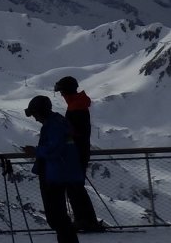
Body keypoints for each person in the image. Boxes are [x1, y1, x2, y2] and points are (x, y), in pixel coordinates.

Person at [25, 94, 85, 243]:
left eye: (35, 114)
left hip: (55, 175)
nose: (35, 118)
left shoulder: (54, 126)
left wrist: (36, 151)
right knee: (59, 216)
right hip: (60, 172)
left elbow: (55, 150)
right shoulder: (59, 122)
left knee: (56, 217)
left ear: (41, 111)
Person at [54, 77, 105, 232]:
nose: (62, 95)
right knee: (77, 188)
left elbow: (75, 133)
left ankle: (84, 221)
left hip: (75, 154)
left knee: (74, 188)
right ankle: (87, 220)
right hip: (80, 152)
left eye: (62, 91)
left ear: (67, 92)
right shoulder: (78, 105)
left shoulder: (76, 108)